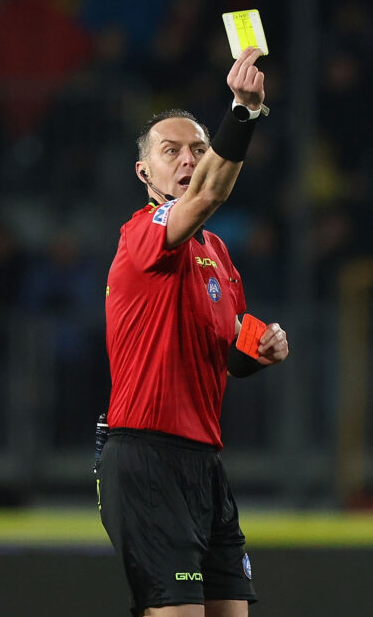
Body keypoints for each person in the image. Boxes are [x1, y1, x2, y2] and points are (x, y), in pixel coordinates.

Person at [99, 47, 289, 617]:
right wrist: (244, 112)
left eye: (199, 149)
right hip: (146, 455)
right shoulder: (142, 235)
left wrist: (262, 348)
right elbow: (208, 194)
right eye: (171, 151)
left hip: (203, 462)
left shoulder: (218, 254)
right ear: (144, 173)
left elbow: (231, 351)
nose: (187, 159)